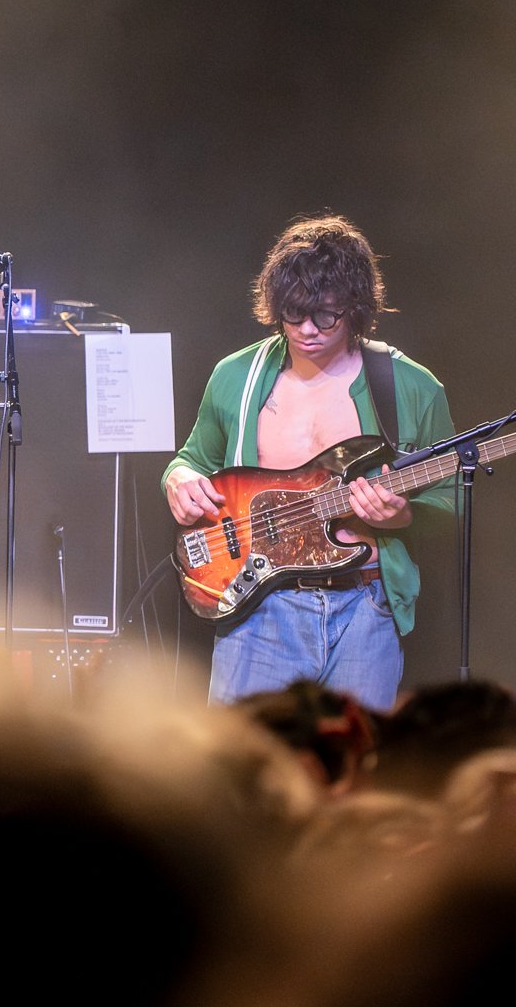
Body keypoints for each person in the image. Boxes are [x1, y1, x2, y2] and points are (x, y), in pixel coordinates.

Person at [164, 215, 456, 711]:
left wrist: (404, 515)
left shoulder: (412, 387)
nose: (306, 330)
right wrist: (179, 478)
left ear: (357, 309)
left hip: (365, 608)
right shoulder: (237, 376)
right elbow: (192, 458)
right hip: (258, 611)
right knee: (241, 770)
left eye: (326, 316)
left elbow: (452, 497)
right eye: (293, 314)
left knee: (357, 768)